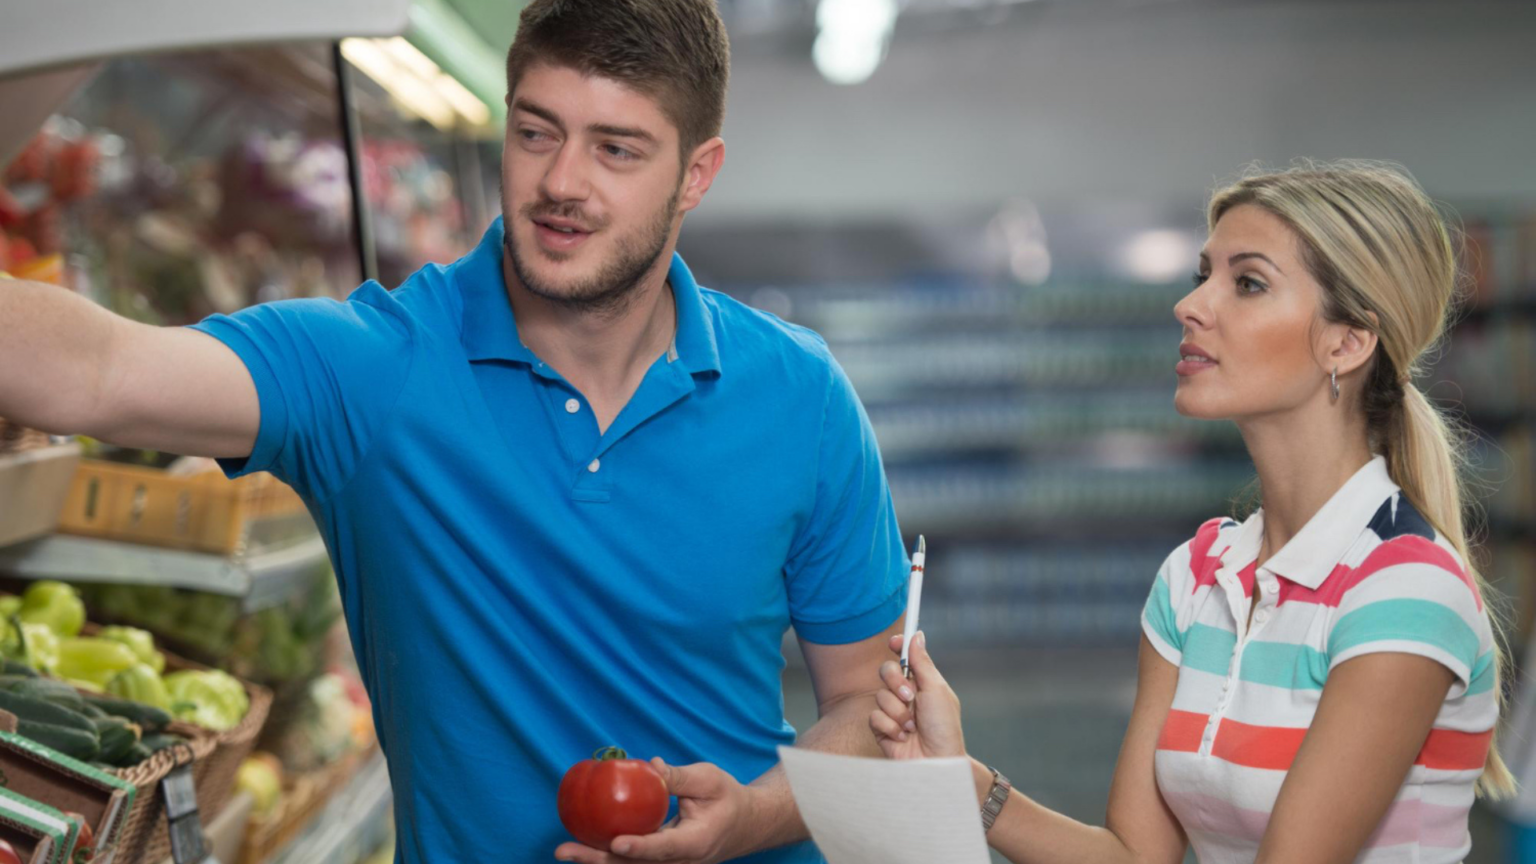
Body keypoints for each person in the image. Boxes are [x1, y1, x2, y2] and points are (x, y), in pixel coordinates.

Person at [0, 2, 909, 862]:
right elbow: (91, 374)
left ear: (696, 175)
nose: (561, 183)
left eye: (617, 150)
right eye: (536, 131)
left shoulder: (802, 396)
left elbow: (873, 704)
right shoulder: (378, 370)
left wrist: (749, 818)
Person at [871, 160, 1513, 864]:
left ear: (1347, 342)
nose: (1192, 306)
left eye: (1247, 283)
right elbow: (1135, 856)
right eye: (1201, 276)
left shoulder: (1404, 590)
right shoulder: (1197, 578)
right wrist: (958, 781)